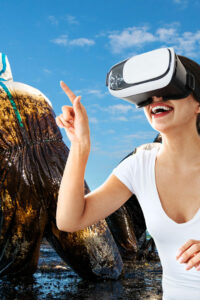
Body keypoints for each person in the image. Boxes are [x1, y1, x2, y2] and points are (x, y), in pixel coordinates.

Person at [55, 50, 200, 300]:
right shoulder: (137, 166)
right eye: (148, 94)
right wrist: (80, 147)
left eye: (170, 88)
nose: (156, 98)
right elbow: (70, 220)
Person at [0, 53, 122, 279]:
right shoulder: (35, 93)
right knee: (103, 266)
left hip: (13, 178)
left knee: (13, 276)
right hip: (60, 170)